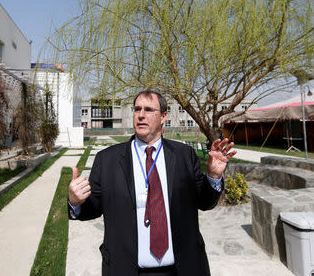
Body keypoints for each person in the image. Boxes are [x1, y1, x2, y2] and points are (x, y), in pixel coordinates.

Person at [68, 90, 236, 276]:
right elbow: (93, 207)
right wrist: (76, 202)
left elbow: (205, 202)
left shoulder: (184, 156)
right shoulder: (107, 160)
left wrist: (212, 176)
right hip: (126, 269)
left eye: (148, 110)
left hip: (182, 268)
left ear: (163, 116)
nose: (141, 115)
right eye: (137, 109)